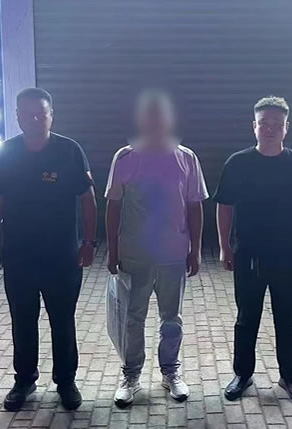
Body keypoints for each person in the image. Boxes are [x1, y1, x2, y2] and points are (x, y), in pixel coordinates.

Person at [0, 88, 97, 411]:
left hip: (61, 255)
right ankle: (24, 380)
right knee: (23, 320)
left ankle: (66, 381)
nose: (34, 119)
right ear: (16, 116)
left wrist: (89, 242)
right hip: (19, 256)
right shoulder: (6, 153)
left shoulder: (69, 151)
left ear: (51, 116)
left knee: (62, 320)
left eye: (40, 114)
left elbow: (88, 200)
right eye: (27, 114)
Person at [213, 96, 292, 404]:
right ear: (254, 126)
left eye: (277, 124)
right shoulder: (237, 163)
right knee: (246, 318)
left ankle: (289, 377)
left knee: (286, 319)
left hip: (288, 254)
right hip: (248, 254)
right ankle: (242, 374)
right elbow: (224, 206)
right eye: (264, 123)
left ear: (287, 127)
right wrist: (224, 246)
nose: (270, 129)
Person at [105, 89, 208, 408]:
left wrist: (195, 249)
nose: (155, 121)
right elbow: (113, 206)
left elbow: (195, 206)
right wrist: (112, 250)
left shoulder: (186, 158)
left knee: (171, 319)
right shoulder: (125, 157)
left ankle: (170, 372)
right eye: (149, 116)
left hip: (173, 255)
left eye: (160, 115)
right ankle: (131, 375)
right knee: (132, 318)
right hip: (134, 255)